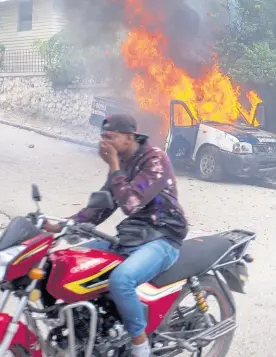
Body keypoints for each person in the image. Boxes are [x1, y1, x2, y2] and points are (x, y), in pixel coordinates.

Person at [44, 114, 188, 357]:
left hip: (164, 236)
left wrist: (113, 167)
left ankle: (140, 346)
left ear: (129, 138)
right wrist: (63, 226)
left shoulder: (155, 159)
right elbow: (103, 204)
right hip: (135, 235)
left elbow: (130, 203)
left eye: (110, 137)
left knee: (121, 281)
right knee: (71, 262)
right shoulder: (123, 161)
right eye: (102, 137)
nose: (104, 143)